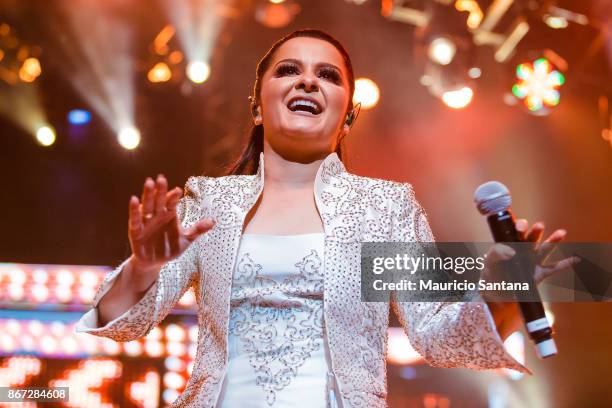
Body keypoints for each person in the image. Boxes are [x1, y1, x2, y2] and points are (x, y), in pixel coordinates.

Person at [76, 29, 578, 408]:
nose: (309, 80)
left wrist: (499, 290)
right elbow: (125, 325)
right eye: (289, 70)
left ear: (348, 115)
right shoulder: (210, 202)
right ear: (257, 107)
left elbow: (438, 336)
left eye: (328, 75)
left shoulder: (385, 208)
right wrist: (142, 267)